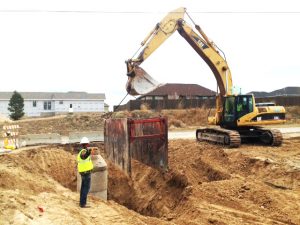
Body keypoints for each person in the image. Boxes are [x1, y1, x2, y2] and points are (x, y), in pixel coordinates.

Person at [77, 137, 94, 208]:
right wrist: (89, 152)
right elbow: (84, 156)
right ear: (87, 144)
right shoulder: (83, 151)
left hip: (83, 172)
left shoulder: (82, 151)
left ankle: (82, 202)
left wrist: (89, 152)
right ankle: (83, 204)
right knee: (86, 188)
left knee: (83, 187)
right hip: (86, 172)